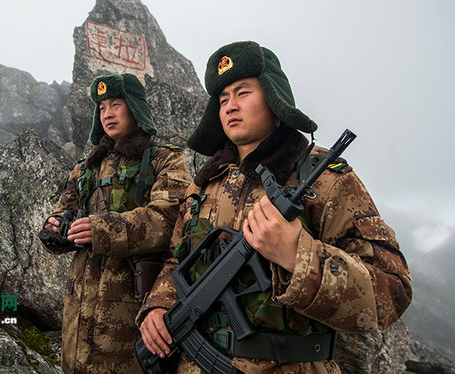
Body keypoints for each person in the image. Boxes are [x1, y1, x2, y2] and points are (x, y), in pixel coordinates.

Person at [137, 41, 412, 373]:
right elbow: (175, 259)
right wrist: (158, 305)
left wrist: (298, 257)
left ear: (273, 96)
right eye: (223, 99)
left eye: (243, 92)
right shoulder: (205, 183)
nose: (229, 106)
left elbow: (391, 292)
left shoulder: (325, 179)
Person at [42, 73, 192, 374]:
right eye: (101, 108)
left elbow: (170, 217)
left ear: (134, 106)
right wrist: (56, 227)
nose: (107, 113)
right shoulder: (85, 168)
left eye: (116, 104)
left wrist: (102, 229)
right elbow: (63, 211)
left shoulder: (164, 160)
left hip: (130, 311)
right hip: (77, 317)